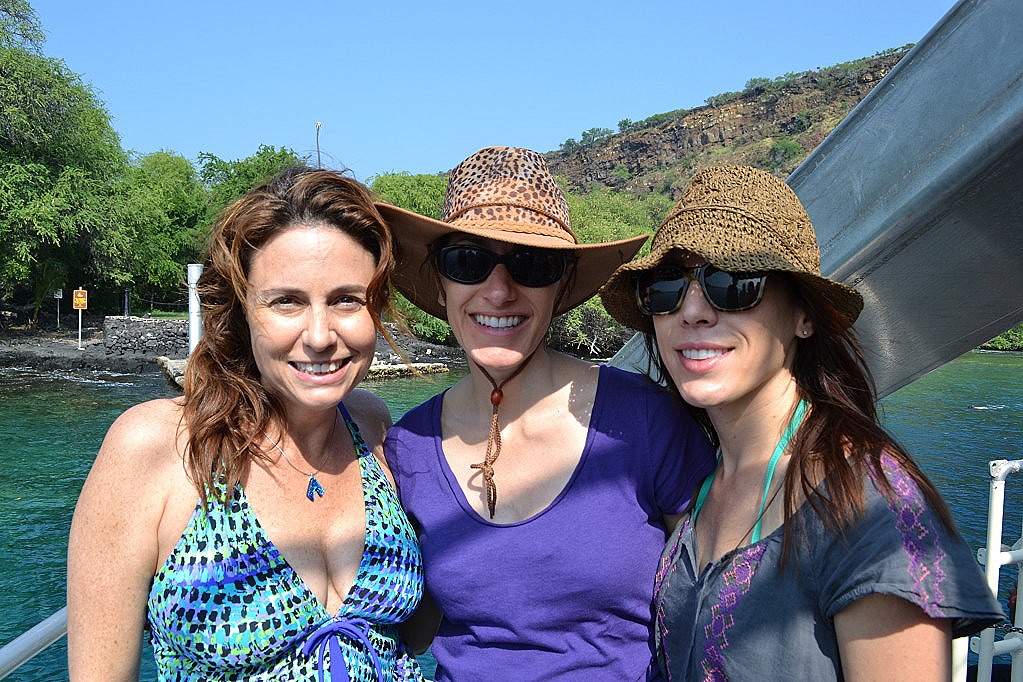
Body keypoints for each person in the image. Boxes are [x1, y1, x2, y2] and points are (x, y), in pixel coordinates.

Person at [598, 164, 1004, 680]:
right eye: (666, 287)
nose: (692, 311)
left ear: (804, 317)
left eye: (733, 283)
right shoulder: (698, 480)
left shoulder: (868, 502)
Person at [67, 167, 425, 681]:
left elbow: (411, 638)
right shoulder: (158, 447)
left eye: (347, 299)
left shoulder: (370, 424)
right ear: (241, 311)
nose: (320, 336)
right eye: (287, 301)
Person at [377, 146, 717, 681]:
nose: (499, 291)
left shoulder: (646, 420)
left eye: (532, 265)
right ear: (440, 283)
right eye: (467, 261)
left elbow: (714, 608)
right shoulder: (405, 447)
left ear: (561, 287)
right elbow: (404, 629)